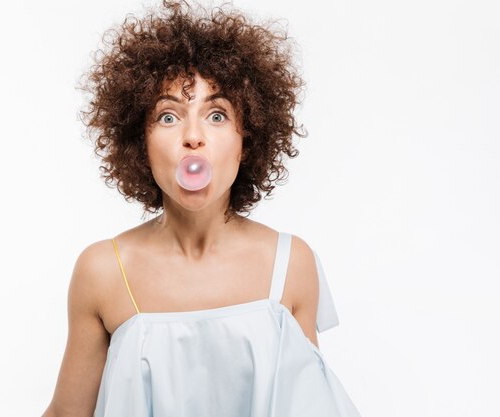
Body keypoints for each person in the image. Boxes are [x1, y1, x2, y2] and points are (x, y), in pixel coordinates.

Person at [42, 0, 361, 416]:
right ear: (140, 141)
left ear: (248, 136)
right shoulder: (103, 271)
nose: (193, 137)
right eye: (169, 117)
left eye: (216, 114)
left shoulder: (290, 265)